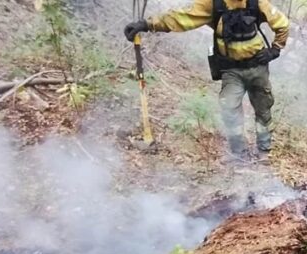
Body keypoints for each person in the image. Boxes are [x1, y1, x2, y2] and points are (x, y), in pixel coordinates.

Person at [123, 0, 290, 162]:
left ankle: (264, 151)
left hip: (257, 68)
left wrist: (275, 49)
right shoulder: (213, 3)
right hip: (231, 70)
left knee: (263, 109)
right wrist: (146, 24)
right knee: (229, 107)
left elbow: (282, 24)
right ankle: (239, 153)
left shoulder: (257, 2)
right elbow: (181, 17)